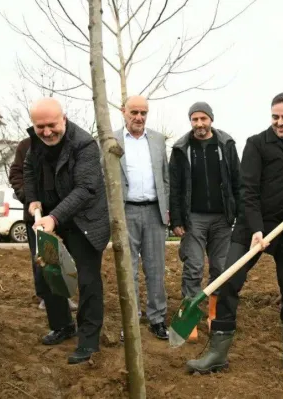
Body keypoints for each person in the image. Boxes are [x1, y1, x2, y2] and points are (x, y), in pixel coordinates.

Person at [186, 92, 283, 374]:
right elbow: (248, 191)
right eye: (275, 117)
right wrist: (257, 229)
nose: (280, 122)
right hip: (253, 228)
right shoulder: (257, 144)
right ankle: (217, 353)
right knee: (230, 282)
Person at [23, 98, 110, 364]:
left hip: (84, 220)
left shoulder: (84, 144)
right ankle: (62, 325)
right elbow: (28, 169)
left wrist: (54, 217)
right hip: (49, 215)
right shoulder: (35, 142)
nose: (47, 132)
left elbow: (86, 189)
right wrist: (32, 198)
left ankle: (88, 340)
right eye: (40, 127)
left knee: (87, 280)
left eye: (51, 125)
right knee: (48, 272)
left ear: (64, 118)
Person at [169, 101, 241, 341]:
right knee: (194, 267)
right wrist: (176, 218)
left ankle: (214, 315)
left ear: (211, 119)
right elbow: (175, 186)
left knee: (220, 268)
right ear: (190, 122)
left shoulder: (226, 145)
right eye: (194, 119)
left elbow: (236, 180)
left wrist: (239, 213)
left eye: (203, 119)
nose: (199, 124)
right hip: (193, 218)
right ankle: (189, 317)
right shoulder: (181, 148)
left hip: (222, 218)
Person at [114, 95, 170, 340]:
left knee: (156, 268)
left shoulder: (158, 140)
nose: (139, 117)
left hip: (155, 212)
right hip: (125, 211)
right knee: (129, 268)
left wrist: (168, 208)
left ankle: (157, 318)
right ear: (123, 111)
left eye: (143, 113)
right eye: (134, 112)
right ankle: (131, 320)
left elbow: (165, 177)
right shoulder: (110, 140)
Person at [9, 136, 77, 312]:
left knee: (63, 254)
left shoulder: (66, 145)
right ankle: (45, 296)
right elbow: (16, 174)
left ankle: (64, 295)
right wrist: (29, 198)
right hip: (36, 215)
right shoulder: (25, 145)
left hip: (61, 212)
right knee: (41, 257)